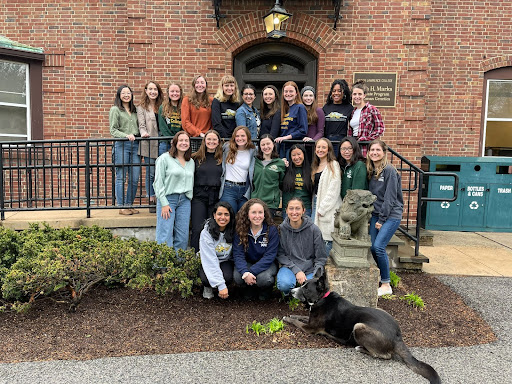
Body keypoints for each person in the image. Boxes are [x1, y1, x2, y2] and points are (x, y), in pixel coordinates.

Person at [367, 139, 403, 297]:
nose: (374, 153)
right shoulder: (372, 170)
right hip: (376, 214)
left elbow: (390, 198)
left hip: (390, 215)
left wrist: (382, 220)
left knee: (379, 247)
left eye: (377, 150)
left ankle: (386, 283)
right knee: (373, 246)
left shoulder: (389, 170)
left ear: (384, 152)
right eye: (372, 150)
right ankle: (382, 276)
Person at [276, 197, 327, 295]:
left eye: (297, 208)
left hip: (310, 268)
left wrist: (316, 275)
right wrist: (297, 271)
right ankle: (288, 296)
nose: (294, 212)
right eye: (291, 208)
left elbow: (321, 257)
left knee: (315, 288)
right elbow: (281, 254)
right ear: (286, 211)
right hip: (289, 267)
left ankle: (305, 300)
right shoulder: (281, 230)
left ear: (303, 210)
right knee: (284, 284)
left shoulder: (314, 230)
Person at [153, 131, 195, 251]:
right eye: (181, 140)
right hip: (168, 199)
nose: (184, 143)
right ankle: (163, 266)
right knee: (165, 233)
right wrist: (163, 203)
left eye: (186, 141)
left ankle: (178, 264)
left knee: (182, 235)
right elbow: (158, 183)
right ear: (175, 143)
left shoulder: (190, 162)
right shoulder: (164, 159)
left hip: (185, 201)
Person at [233, 198, 279, 301]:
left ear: (265, 214)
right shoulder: (241, 229)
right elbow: (238, 254)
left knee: (264, 278)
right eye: (253, 212)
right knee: (237, 276)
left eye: (260, 212)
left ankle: (265, 290)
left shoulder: (271, 230)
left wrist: (252, 272)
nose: (257, 216)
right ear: (247, 215)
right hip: (249, 262)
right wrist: (245, 272)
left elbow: (270, 256)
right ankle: (250, 289)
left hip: (267, 264)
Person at [109, 84, 141, 216]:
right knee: (121, 177)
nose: (126, 95)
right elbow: (113, 130)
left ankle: (129, 205)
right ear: (119, 95)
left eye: (128, 93)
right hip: (122, 145)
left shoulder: (135, 110)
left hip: (136, 145)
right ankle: (122, 207)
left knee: (134, 177)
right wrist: (125, 136)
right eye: (123, 93)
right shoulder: (115, 109)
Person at [190, 130, 223, 253]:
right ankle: (195, 256)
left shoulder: (222, 158)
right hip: (199, 197)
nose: (211, 142)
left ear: (218, 142)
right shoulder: (195, 158)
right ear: (204, 141)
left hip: (215, 197)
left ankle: (210, 257)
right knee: (198, 228)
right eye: (209, 139)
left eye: (214, 139)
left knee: (213, 229)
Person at [199, 201, 236, 300]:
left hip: (225, 260)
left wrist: (222, 283)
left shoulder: (233, 229)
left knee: (227, 277)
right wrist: (221, 285)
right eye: (219, 214)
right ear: (214, 215)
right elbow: (210, 259)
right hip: (208, 260)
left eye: (226, 214)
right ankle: (208, 287)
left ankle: (220, 286)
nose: (223, 217)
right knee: (205, 278)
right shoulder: (206, 232)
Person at [311, 138, 342, 255]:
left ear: (328, 150)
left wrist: (322, 208)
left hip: (328, 207)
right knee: (316, 236)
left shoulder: (333, 164)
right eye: (318, 147)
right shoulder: (316, 165)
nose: (320, 150)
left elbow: (334, 190)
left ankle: (324, 267)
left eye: (324, 147)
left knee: (326, 238)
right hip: (316, 202)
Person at [137, 80, 163, 213]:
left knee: (162, 172)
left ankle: (161, 197)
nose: (153, 92)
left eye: (155, 89)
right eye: (150, 89)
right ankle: (151, 198)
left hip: (162, 143)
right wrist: (143, 133)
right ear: (146, 91)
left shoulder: (162, 106)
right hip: (149, 142)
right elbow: (141, 125)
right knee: (151, 172)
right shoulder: (141, 107)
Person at [218, 126, 256, 214]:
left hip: (245, 191)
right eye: (237, 136)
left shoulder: (253, 151)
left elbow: (266, 156)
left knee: (242, 220)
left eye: (243, 136)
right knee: (229, 217)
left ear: (248, 137)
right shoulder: (227, 148)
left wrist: (282, 161)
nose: (240, 138)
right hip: (228, 188)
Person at [251, 134, 286, 217]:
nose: (266, 147)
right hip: (255, 202)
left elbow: (281, 183)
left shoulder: (280, 163)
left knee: (268, 228)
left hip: (271, 204)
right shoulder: (254, 162)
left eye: (268, 144)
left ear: (273, 145)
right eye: (263, 145)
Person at [349, 80, 385, 157]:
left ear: (364, 95)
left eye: (360, 94)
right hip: (355, 146)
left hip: (366, 147)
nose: (357, 97)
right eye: (354, 94)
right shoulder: (353, 112)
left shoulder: (371, 109)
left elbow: (380, 128)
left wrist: (366, 139)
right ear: (352, 95)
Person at [276, 81, 308, 158]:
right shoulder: (284, 109)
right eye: (286, 91)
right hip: (283, 146)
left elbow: (303, 130)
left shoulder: (300, 107)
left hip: (293, 146)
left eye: (291, 91)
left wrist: (285, 137)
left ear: (296, 93)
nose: (288, 94)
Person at [322, 79, 354, 156]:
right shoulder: (326, 107)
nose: (336, 93)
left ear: (344, 93)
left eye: (339, 91)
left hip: (341, 142)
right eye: (334, 91)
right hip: (327, 142)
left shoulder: (349, 108)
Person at [282, 144, 313, 219]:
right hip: (289, 209)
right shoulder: (285, 169)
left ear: (304, 155)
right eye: (293, 155)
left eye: (299, 154)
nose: (296, 157)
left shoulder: (311, 170)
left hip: (305, 208)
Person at [158, 82, 183, 155]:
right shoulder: (162, 108)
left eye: (177, 91)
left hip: (180, 142)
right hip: (165, 143)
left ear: (180, 93)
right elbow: (163, 127)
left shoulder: (184, 107)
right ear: (168, 93)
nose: (175, 93)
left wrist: (178, 139)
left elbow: (185, 124)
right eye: (172, 91)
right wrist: (171, 139)